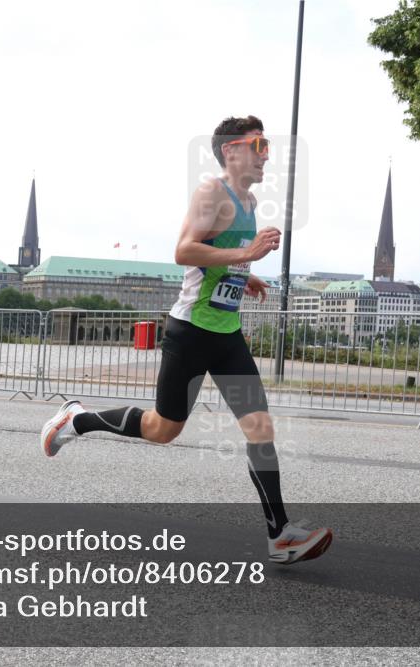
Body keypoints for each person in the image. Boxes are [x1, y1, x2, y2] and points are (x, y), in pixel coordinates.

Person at [40, 115, 332, 565]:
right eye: (259, 144)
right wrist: (247, 253)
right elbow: (184, 249)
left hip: (227, 334)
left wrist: (244, 274)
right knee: (163, 429)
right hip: (191, 332)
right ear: (231, 150)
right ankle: (77, 420)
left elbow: (216, 254)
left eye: (268, 146)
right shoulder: (210, 193)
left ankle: (280, 535)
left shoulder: (249, 201)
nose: (266, 155)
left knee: (260, 428)